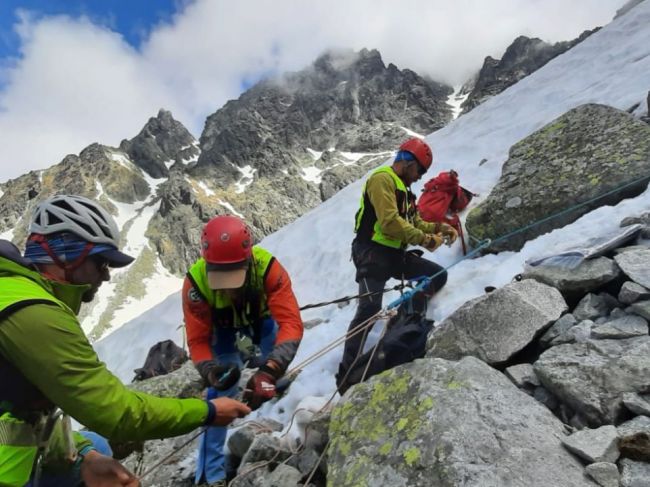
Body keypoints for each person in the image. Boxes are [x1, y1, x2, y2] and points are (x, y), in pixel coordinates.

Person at [0, 195, 251, 487]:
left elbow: (15, 420)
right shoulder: (34, 313)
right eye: (101, 262)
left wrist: (84, 453)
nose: (106, 275)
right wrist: (207, 411)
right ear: (67, 254)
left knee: (96, 445)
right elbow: (117, 414)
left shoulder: (14, 293)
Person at [183, 215, 304, 487]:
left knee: (272, 370)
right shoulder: (195, 284)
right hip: (223, 332)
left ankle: (273, 387)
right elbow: (198, 340)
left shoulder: (268, 269)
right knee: (223, 390)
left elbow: (291, 323)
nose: (227, 288)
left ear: (248, 261)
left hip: (262, 322)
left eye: (234, 278)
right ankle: (210, 474)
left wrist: (270, 371)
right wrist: (210, 371)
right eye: (221, 279)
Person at [336, 138, 458, 392]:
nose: (419, 177)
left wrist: (440, 228)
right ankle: (346, 375)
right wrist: (426, 240)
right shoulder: (382, 179)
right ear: (409, 163)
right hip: (371, 252)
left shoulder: (404, 189)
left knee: (436, 275)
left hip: (393, 254)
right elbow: (390, 223)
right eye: (420, 171)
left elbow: (415, 222)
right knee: (369, 309)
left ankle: (404, 320)